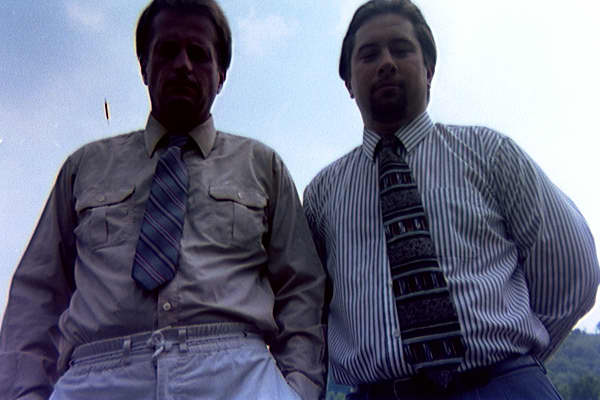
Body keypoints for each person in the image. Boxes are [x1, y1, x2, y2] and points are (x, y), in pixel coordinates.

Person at [0, 1, 326, 399]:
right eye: (167, 51)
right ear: (144, 67)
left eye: (199, 54)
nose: (183, 65)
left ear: (221, 75)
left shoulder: (262, 166)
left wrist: (299, 389)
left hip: (238, 377)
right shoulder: (83, 168)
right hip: (98, 378)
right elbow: (36, 292)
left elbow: (301, 287)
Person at [303, 1, 600, 399]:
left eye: (401, 49)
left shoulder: (489, 153)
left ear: (429, 69)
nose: (386, 63)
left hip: (502, 385)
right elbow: (308, 307)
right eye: (369, 55)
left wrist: (511, 357)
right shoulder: (322, 195)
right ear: (348, 82)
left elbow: (572, 268)